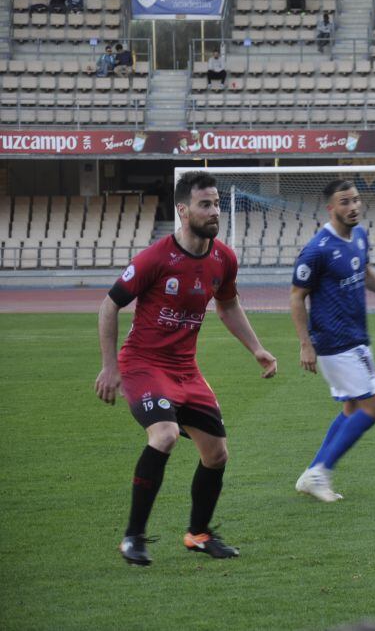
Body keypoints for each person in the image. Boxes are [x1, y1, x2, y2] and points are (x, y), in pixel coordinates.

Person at [95, 171, 278, 566]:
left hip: (185, 371)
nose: (214, 212)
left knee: (217, 455)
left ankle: (198, 533)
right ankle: (133, 538)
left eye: (216, 204)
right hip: (143, 365)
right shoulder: (156, 258)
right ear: (183, 210)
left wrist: (257, 349)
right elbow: (110, 304)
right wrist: (110, 368)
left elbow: (227, 306)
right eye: (205, 205)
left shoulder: (223, 258)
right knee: (164, 436)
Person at [291, 180, 375, 503]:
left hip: (356, 336)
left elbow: (366, 273)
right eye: (345, 202)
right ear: (330, 208)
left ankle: (312, 473)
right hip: (335, 341)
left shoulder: (360, 236)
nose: (353, 207)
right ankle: (321, 472)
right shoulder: (317, 249)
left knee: (352, 407)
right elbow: (296, 297)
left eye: (356, 200)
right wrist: (305, 344)